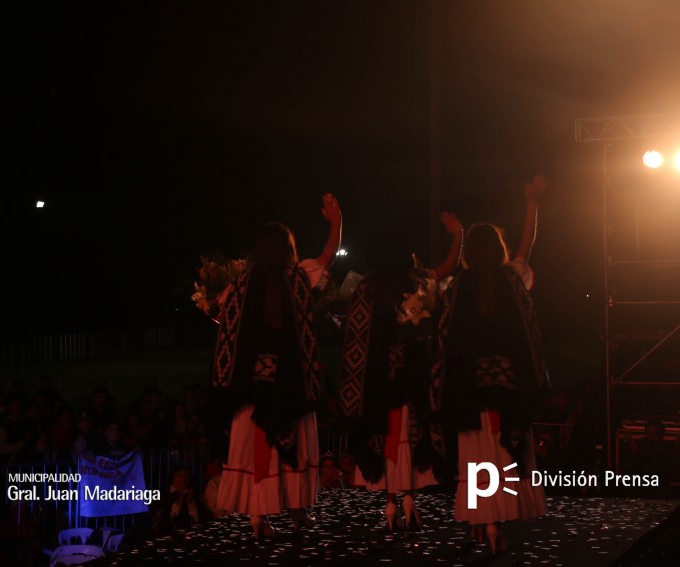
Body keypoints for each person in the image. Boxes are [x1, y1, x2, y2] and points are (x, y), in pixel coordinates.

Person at [430, 174, 550, 554]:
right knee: (501, 454)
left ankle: (483, 522)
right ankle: (495, 523)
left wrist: (457, 234)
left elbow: (445, 340)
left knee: (477, 455)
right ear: (498, 249)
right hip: (508, 390)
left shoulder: (457, 287)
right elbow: (526, 247)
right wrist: (532, 202)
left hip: (469, 391)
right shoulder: (512, 280)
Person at [210, 193, 342, 538]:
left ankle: (259, 517)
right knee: (289, 447)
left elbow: (223, 321)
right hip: (289, 382)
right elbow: (327, 258)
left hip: (251, 384)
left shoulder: (240, 284)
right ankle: (294, 510)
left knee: (260, 449)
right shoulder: (298, 277)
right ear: (288, 247)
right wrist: (336, 223)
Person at [340, 212, 463, 530]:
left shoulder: (368, 285)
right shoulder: (421, 279)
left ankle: (391, 503)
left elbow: (353, 332)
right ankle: (408, 498)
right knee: (410, 437)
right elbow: (448, 268)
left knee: (387, 439)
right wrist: (458, 236)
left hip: (380, 382)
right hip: (415, 377)